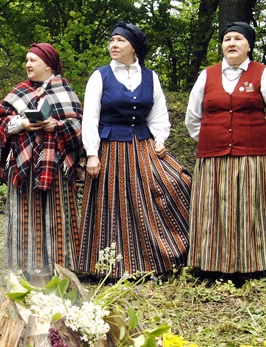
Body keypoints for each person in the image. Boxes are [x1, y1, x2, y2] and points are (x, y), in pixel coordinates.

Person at [77, 22, 192, 279]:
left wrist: (160, 138)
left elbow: (158, 114)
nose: (113, 45)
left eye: (120, 41)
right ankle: (108, 267)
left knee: (159, 194)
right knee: (111, 206)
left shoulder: (150, 77)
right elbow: (90, 118)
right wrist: (92, 153)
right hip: (110, 150)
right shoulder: (101, 76)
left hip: (141, 147)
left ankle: (152, 261)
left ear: (134, 48)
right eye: (111, 40)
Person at [185, 22, 266, 285]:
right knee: (211, 209)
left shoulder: (264, 75)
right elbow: (193, 118)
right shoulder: (206, 76)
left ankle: (249, 265)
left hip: (251, 156)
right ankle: (210, 265)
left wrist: (251, 135)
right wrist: (213, 136)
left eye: (238, 39)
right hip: (212, 155)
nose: (231, 43)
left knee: (249, 208)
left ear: (249, 45)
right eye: (226, 39)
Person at [0, 43, 83, 281]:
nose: (28, 64)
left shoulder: (64, 89)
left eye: (33, 60)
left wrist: (57, 125)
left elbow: (78, 126)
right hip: (26, 167)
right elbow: (0, 122)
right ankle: (28, 267)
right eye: (27, 60)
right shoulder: (19, 91)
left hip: (56, 164)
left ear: (48, 65)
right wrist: (23, 123)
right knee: (26, 212)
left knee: (58, 212)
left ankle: (63, 267)